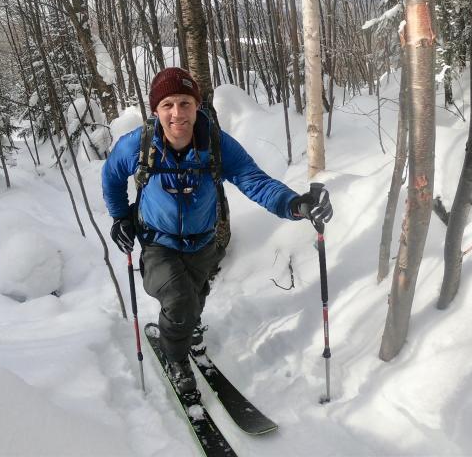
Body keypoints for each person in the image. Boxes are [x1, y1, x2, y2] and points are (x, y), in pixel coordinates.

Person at [101, 67, 333, 393]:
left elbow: (254, 181)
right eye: (168, 105)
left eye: (185, 103)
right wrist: (120, 218)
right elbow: (111, 177)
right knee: (179, 301)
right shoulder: (137, 145)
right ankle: (176, 358)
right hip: (157, 242)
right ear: (156, 110)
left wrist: (296, 205)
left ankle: (186, 327)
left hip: (204, 243)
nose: (177, 113)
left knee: (194, 301)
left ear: (197, 106)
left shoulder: (217, 144)